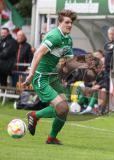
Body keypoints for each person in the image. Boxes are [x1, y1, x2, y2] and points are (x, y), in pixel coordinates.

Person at [23, 9, 77, 145]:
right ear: (60, 22)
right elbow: (38, 54)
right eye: (67, 22)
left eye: (71, 22)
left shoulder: (68, 40)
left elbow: (68, 63)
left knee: (64, 110)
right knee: (62, 107)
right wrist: (31, 74)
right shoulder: (54, 36)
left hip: (53, 77)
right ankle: (34, 115)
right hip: (41, 77)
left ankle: (51, 138)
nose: (70, 25)